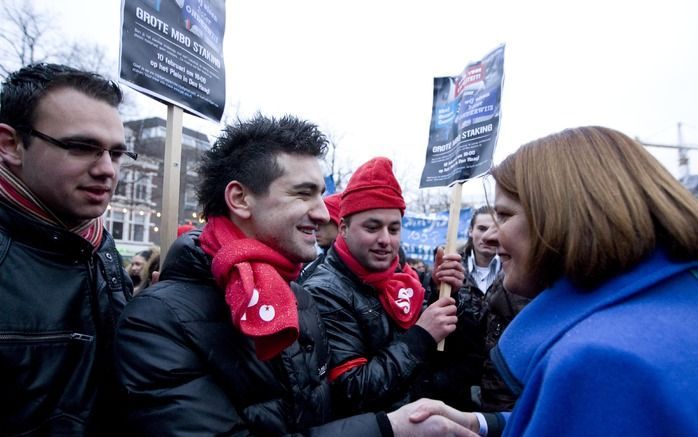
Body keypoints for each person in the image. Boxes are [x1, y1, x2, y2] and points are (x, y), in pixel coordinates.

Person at [115, 115, 414, 435]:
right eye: (303, 193)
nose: (323, 212)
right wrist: (385, 428)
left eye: (320, 194)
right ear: (240, 199)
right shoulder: (155, 320)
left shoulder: (300, 300)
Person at [403, 126, 698, 436]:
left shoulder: (599, 362)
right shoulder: (666, 310)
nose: (490, 235)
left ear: (562, 215)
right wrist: (482, 424)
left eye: (504, 215)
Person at [0, 63, 133, 435]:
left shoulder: (99, 244)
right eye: (81, 147)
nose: (107, 169)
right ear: (10, 144)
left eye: (117, 154)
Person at [302, 156, 465, 416]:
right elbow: (352, 390)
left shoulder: (405, 279)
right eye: (372, 227)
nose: (385, 240)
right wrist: (421, 337)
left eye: (394, 228)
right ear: (343, 228)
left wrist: (444, 294)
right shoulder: (323, 291)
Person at [296, 192, 341, 284]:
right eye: (315, 222)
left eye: (323, 223)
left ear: (341, 224)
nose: (315, 227)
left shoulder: (350, 270)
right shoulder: (310, 262)